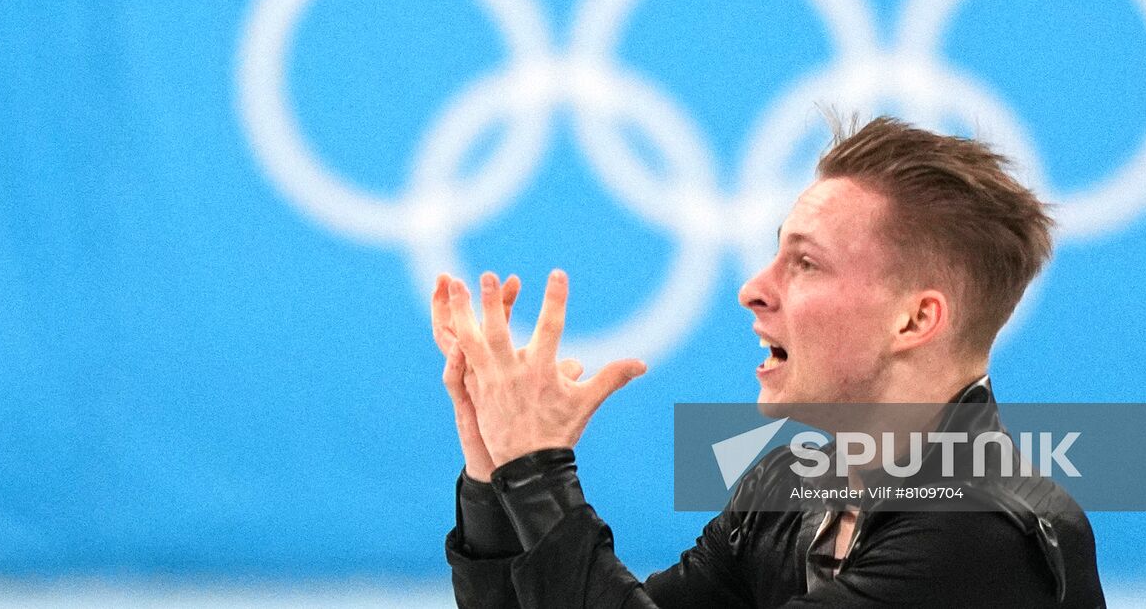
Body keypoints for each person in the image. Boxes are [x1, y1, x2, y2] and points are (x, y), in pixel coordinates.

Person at [431, 116, 1105, 607]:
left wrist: (540, 473)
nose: (753, 286)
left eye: (805, 262)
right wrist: (494, 475)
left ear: (915, 319)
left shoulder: (980, 534)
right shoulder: (790, 491)